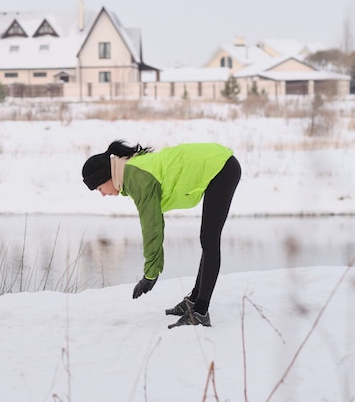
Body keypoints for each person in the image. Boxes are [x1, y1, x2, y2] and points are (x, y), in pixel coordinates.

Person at [81, 140, 241, 327]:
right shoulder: (131, 170)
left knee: (209, 239)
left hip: (222, 167)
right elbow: (154, 221)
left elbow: (152, 226)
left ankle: (200, 311)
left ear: (106, 177)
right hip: (219, 163)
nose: (102, 194)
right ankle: (194, 302)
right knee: (207, 239)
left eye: (99, 188)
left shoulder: (136, 177)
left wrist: (150, 274)